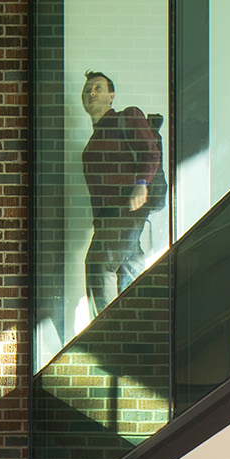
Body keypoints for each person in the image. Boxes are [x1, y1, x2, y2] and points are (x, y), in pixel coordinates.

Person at [79, 71, 162, 313]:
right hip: (111, 220)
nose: (91, 93)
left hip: (125, 211)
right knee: (128, 274)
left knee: (98, 264)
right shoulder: (93, 143)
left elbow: (150, 152)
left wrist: (141, 183)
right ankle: (130, 333)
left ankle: (105, 334)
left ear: (111, 95)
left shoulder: (127, 117)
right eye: (87, 91)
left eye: (98, 88)